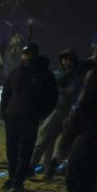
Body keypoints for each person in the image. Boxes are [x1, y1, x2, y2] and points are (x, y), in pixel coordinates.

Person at [54, 41, 97, 192]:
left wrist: (65, 139)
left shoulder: (92, 73)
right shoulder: (88, 69)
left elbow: (81, 107)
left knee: (77, 180)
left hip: (89, 134)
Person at [0, 44, 57, 192]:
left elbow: (53, 97)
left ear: (36, 55)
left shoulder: (44, 74)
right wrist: (3, 113)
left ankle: (18, 182)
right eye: (25, 54)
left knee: (24, 152)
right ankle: (12, 178)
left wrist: (40, 114)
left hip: (29, 119)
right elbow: (6, 93)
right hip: (12, 118)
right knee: (11, 151)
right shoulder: (16, 73)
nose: (27, 57)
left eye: (30, 54)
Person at [32, 49, 80, 179]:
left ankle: (38, 168)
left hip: (67, 112)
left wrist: (56, 87)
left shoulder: (77, 76)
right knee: (46, 141)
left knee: (61, 145)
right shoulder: (58, 74)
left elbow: (72, 93)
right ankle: (40, 168)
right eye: (64, 59)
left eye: (70, 59)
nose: (67, 62)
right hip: (55, 110)